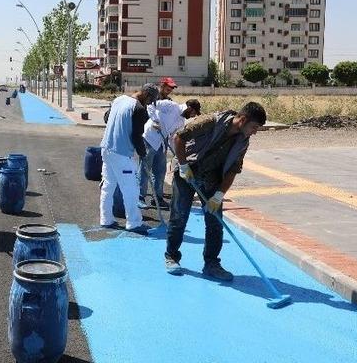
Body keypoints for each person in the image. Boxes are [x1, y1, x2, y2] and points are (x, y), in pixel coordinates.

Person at [164, 101, 267, 280]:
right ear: (243, 120)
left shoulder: (243, 141)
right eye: (254, 127)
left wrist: (219, 195)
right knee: (179, 216)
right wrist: (183, 165)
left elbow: (233, 169)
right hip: (187, 173)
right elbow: (179, 138)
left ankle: (211, 264)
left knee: (215, 223)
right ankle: (172, 256)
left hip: (212, 179)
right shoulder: (211, 121)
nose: (255, 132)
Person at [99, 84, 160, 234]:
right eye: (150, 101)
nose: (149, 104)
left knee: (108, 186)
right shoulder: (139, 109)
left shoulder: (119, 99)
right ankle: (133, 223)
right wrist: (143, 153)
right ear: (146, 95)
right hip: (122, 153)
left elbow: (106, 118)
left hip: (106, 148)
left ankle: (106, 219)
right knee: (131, 189)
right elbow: (136, 136)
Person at [139, 99, 202, 209]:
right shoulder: (171, 106)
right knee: (145, 169)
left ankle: (157, 198)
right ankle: (139, 197)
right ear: (189, 108)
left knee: (160, 172)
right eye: (194, 113)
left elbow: (173, 139)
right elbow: (151, 104)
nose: (193, 116)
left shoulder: (181, 122)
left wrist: (178, 155)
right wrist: (155, 120)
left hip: (161, 143)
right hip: (150, 138)